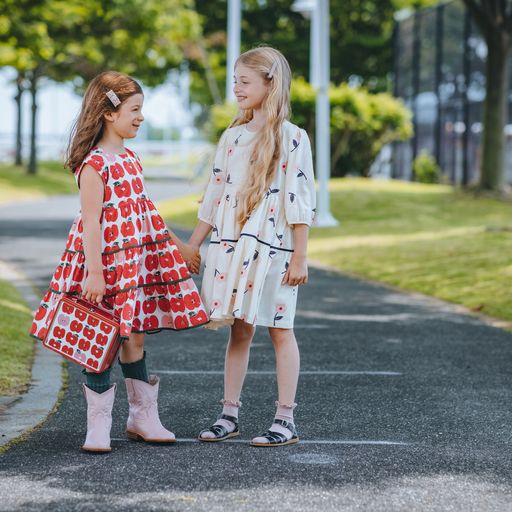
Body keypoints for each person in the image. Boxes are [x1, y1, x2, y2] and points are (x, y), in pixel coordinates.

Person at [30, 71, 208, 453]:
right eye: (135, 109)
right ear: (110, 113)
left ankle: (142, 418)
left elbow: (146, 212)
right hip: (104, 266)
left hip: (136, 265)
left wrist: (180, 247)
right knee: (101, 336)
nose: (141, 117)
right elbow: (90, 222)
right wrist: (95, 273)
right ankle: (98, 424)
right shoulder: (95, 164)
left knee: (135, 335)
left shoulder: (131, 159)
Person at [188, 47, 316, 447]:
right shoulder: (232, 137)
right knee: (239, 331)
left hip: (275, 250)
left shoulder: (294, 139)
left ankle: (285, 419)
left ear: (269, 83)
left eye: (245, 81)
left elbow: (299, 199)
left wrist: (300, 254)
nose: (237, 88)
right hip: (231, 248)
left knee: (280, 330)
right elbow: (214, 194)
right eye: (235, 81)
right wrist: (194, 244)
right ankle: (229, 414)